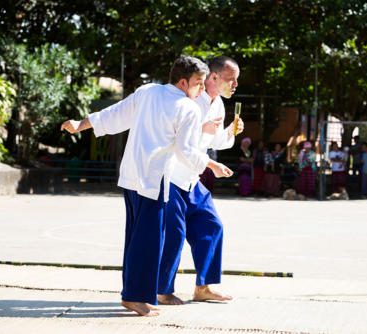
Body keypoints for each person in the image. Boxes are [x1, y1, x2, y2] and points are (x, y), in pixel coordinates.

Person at [60, 55, 233, 316]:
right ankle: (135, 297)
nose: (200, 89)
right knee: (149, 242)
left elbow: (115, 115)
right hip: (154, 181)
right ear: (184, 82)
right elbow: (186, 151)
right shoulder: (188, 108)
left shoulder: (148, 91)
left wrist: (80, 124)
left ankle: (135, 294)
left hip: (131, 177)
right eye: (198, 83)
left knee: (136, 239)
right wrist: (212, 165)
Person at [158, 56, 243, 305]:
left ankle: (203, 287)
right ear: (213, 78)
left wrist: (230, 132)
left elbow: (216, 142)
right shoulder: (190, 101)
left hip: (193, 179)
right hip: (172, 176)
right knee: (174, 234)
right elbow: (179, 144)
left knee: (211, 226)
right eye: (231, 79)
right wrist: (211, 162)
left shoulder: (218, 105)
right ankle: (163, 290)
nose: (235, 84)